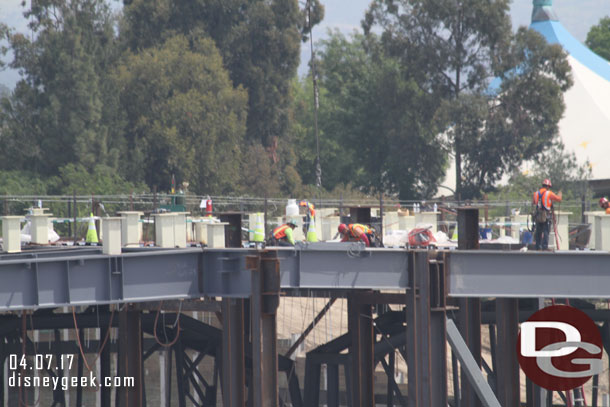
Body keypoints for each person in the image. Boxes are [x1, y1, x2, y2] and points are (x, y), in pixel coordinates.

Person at [532, 179, 562, 250]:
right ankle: (544, 247)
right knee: (546, 231)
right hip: (546, 215)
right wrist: (560, 193)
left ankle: (538, 247)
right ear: (548, 186)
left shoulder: (536, 193)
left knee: (538, 231)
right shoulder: (549, 193)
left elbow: (533, 202)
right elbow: (559, 199)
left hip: (538, 215)